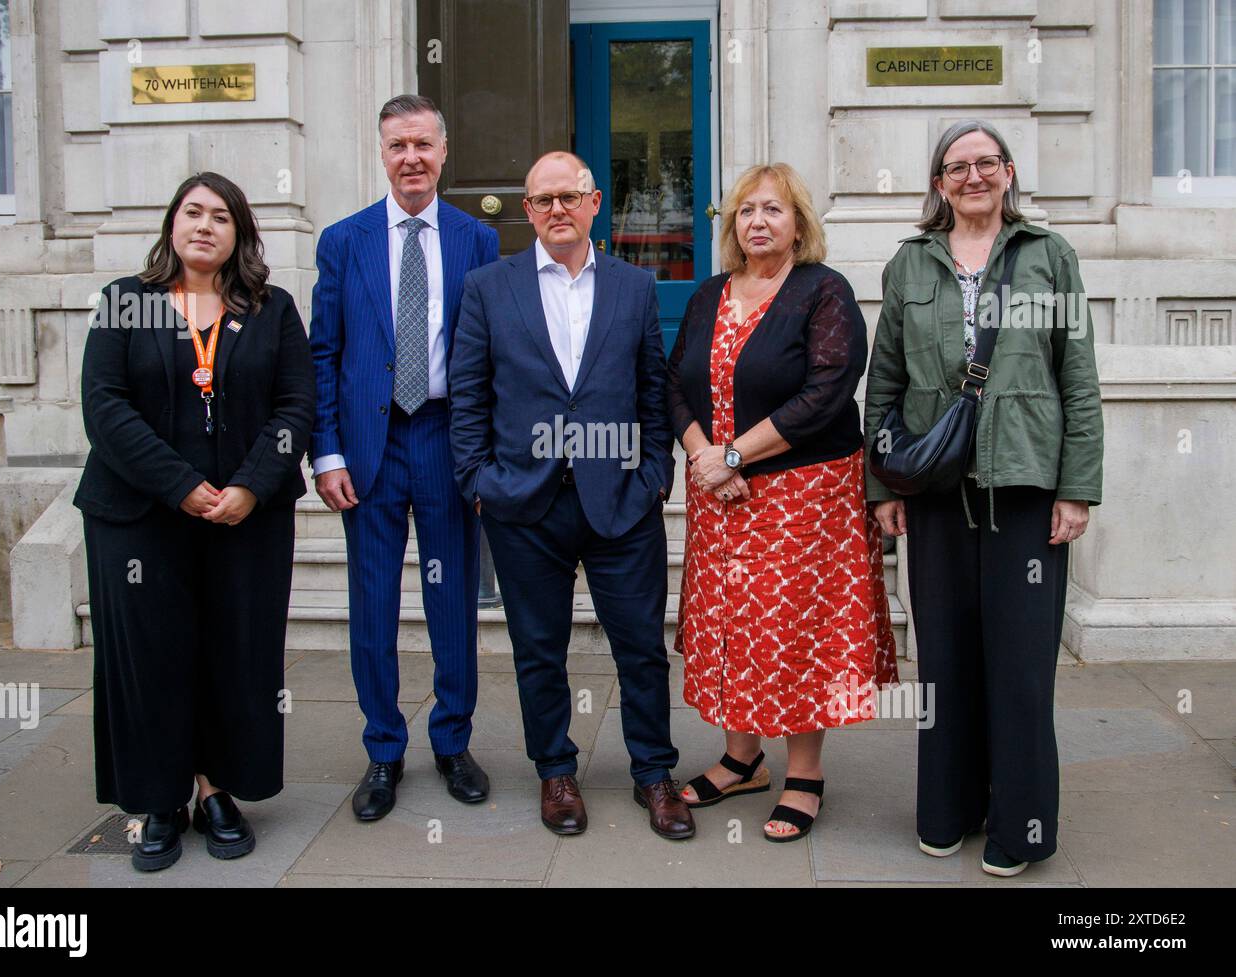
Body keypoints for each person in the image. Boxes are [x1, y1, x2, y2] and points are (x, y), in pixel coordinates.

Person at [864, 120, 1103, 877]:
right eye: (956, 166)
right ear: (938, 183)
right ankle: (948, 809)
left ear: (1007, 173)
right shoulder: (910, 265)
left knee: (1023, 667)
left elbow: (1079, 379)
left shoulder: (1047, 257)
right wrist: (882, 485)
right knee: (945, 661)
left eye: (986, 163)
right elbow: (885, 383)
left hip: (1026, 488)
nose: (972, 176)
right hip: (936, 492)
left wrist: (1077, 487)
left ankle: (1021, 826)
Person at [75, 171, 315, 871]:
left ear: (240, 232)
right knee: (150, 656)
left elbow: (296, 407)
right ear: (171, 224)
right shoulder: (127, 302)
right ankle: (159, 798)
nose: (205, 225)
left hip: (246, 517)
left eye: (221, 216)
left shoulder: (271, 309)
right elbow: (105, 407)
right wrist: (181, 485)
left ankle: (216, 789)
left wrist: (249, 485)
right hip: (139, 517)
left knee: (235, 652)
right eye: (193, 212)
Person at [449, 151, 692, 840]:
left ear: (595, 204)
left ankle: (654, 772)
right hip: (524, 506)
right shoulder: (488, 288)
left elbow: (652, 390)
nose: (558, 208)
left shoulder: (634, 286)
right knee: (537, 648)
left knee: (642, 648)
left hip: (620, 502)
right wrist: (479, 481)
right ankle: (556, 769)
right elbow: (469, 395)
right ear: (526, 211)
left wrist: (653, 478)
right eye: (544, 198)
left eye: (570, 195)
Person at [669, 162, 899, 842]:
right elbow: (670, 382)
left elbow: (829, 387)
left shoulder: (822, 292)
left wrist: (735, 453)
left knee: (799, 630)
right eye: (745, 211)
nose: (758, 221)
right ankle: (742, 759)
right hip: (721, 497)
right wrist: (704, 455)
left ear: (799, 223)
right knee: (734, 625)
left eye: (773, 209)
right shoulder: (710, 294)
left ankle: (805, 772)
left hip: (805, 496)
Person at [308, 94, 500, 822]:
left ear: (444, 152)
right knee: (373, 605)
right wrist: (325, 453)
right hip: (371, 448)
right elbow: (323, 352)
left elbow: (490, 354)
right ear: (381, 154)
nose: (411, 158)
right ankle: (383, 748)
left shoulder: (476, 239)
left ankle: (452, 741)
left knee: (453, 601)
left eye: (423, 144)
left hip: (448, 442)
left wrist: (486, 458)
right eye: (398, 146)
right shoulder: (343, 240)